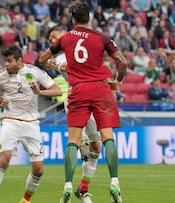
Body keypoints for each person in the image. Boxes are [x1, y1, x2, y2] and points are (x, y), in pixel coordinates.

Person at [39, 2, 127, 203]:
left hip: (78, 90)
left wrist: (50, 61)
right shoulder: (101, 37)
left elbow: (42, 58)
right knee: (107, 138)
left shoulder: (66, 39)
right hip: (100, 88)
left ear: (73, 20)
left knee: (74, 140)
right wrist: (117, 82)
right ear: (90, 18)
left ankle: (69, 185)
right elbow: (122, 62)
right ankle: (114, 181)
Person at [0, 45, 62, 203]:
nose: (6, 64)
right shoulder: (1, 77)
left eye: (9, 61)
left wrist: (40, 92)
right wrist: (0, 101)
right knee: (4, 159)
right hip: (10, 121)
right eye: (5, 61)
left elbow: (58, 90)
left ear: (19, 60)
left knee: (39, 170)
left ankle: (26, 199)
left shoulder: (35, 72)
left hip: (31, 123)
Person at [45, 26, 103, 203]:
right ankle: (67, 187)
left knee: (96, 147)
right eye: (50, 41)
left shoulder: (80, 46)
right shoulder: (61, 55)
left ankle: (83, 189)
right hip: (75, 99)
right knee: (75, 141)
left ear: (63, 34)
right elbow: (67, 65)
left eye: (53, 38)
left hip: (92, 98)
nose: (52, 42)